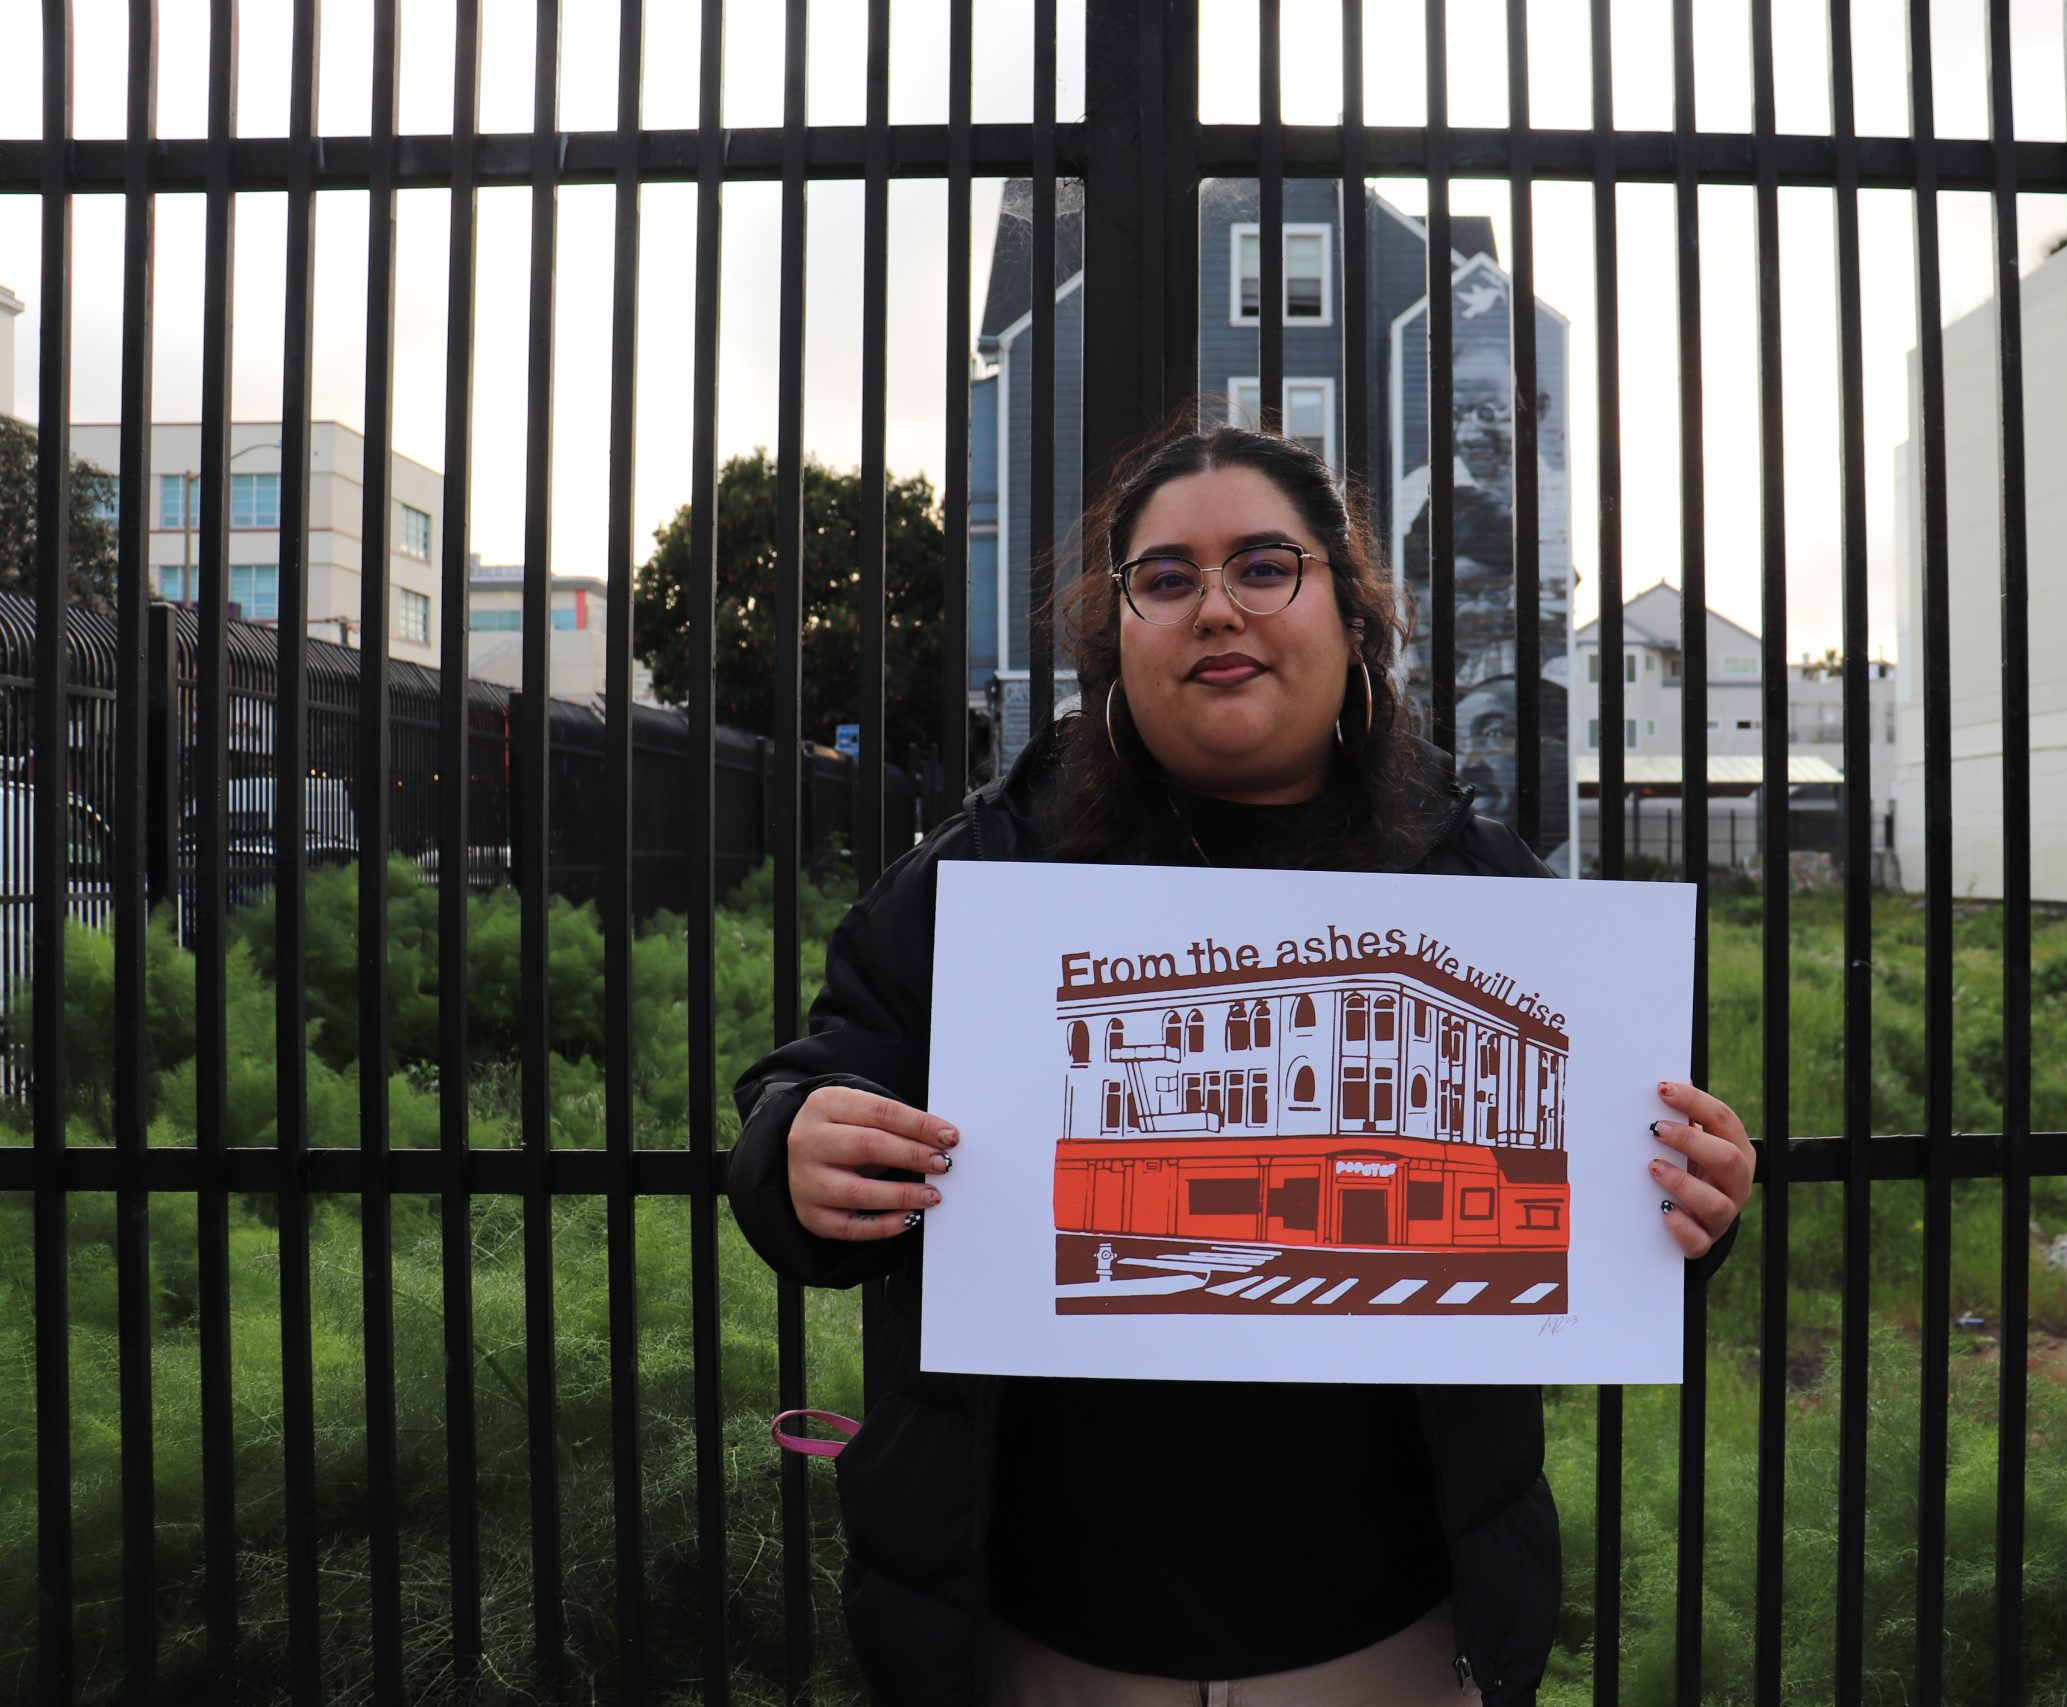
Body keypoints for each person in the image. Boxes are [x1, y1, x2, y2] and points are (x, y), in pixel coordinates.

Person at [727, 421, 1757, 1706]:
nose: (1216, 606)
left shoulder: (1476, 886)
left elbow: (1626, 1182)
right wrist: (799, 1148)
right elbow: (816, 1083)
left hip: (1382, 1639)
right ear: (1118, 629)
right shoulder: (986, 870)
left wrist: (1693, 1204)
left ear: (1350, 606)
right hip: (1039, 1636)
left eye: (1265, 565)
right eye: (1167, 577)